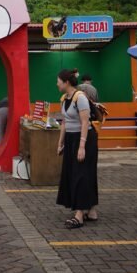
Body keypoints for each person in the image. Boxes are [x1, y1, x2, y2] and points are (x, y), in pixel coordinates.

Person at [56, 69, 99, 229]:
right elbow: (64, 122)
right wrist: (60, 143)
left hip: (84, 139)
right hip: (71, 139)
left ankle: (79, 215)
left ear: (66, 82)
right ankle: (91, 210)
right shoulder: (64, 99)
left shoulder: (80, 97)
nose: (57, 84)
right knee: (77, 174)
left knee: (81, 174)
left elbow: (85, 122)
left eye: (58, 81)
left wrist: (82, 146)